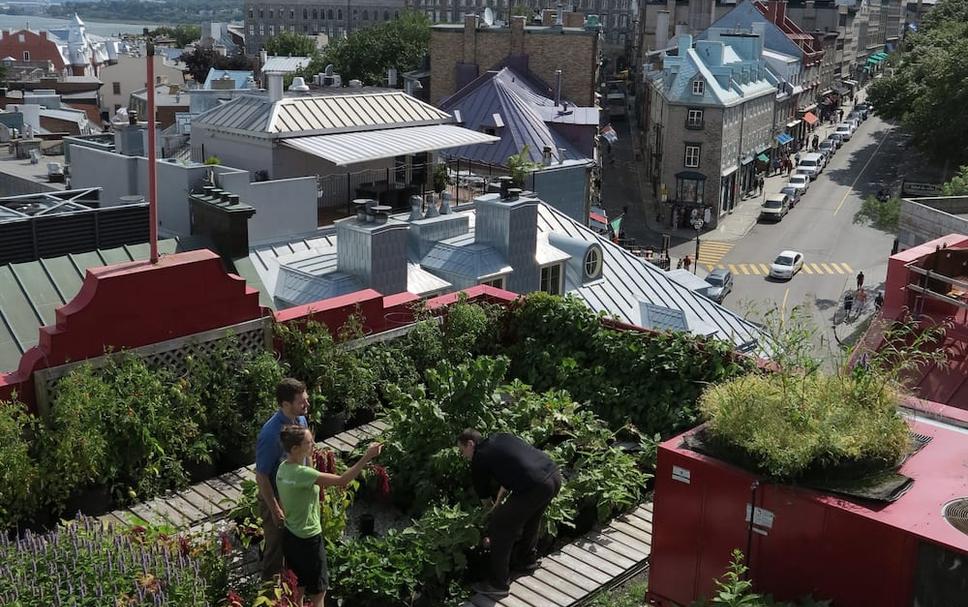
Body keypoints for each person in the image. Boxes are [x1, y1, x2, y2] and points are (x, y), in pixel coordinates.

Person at [276, 425, 383, 607]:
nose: (313, 444)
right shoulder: (304, 474)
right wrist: (367, 456)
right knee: (319, 591)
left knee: (298, 587)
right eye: (309, 442)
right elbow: (343, 480)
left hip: (291, 536)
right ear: (295, 449)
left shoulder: (282, 470)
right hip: (310, 539)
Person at [458, 429, 562, 599]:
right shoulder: (500, 438)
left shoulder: (479, 459)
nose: (463, 455)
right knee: (531, 518)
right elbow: (513, 470)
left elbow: (486, 501)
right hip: (553, 476)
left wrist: (492, 516)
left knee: (500, 526)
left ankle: (498, 584)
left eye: (462, 450)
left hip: (535, 486)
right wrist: (500, 503)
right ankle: (526, 560)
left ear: (471, 444)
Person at [255, 378, 310, 581]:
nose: (307, 405)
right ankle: (269, 593)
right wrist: (275, 509)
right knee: (276, 547)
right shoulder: (271, 434)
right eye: (301, 402)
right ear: (285, 405)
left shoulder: (301, 420)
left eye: (306, 399)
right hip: (276, 495)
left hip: (296, 492)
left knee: (297, 542)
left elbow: (307, 454)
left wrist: (314, 483)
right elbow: (261, 475)